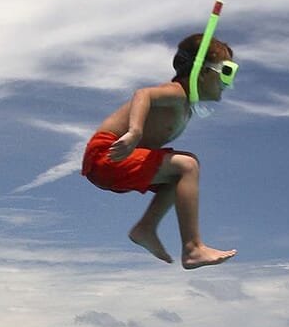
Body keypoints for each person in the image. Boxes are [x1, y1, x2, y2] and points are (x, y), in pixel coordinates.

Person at [80, 29, 238, 269]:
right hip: (107, 154)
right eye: (226, 72)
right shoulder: (177, 93)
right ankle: (193, 248)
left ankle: (145, 228)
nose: (229, 82)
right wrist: (135, 132)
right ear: (204, 72)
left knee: (179, 179)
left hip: (116, 161)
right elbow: (143, 95)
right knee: (188, 165)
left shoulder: (186, 107)